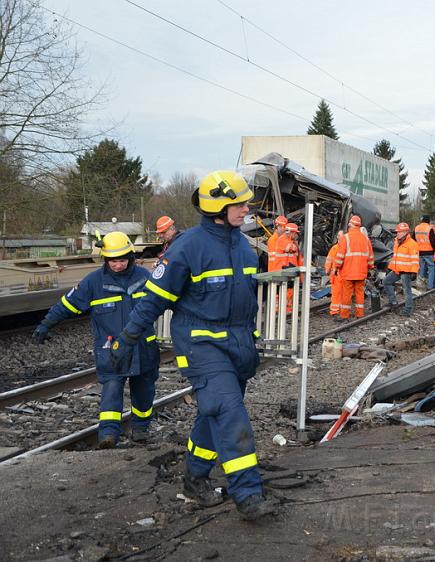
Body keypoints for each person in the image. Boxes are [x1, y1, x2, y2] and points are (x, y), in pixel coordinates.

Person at [110, 170, 276, 520]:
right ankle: (247, 492)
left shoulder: (241, 245)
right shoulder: (188, 248)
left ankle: (195, 479)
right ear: (219, 206)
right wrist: (128, 337)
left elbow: (246, 302)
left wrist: (251, 341)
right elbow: (153, 300)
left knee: (212, 412)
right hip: (201, 346)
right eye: (241, 203)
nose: (248, 208)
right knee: (230, 411)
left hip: (238, 346)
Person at [33, 232, 159, 449]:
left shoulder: (144, 278)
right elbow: (67, 305)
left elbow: (166, 300)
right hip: (111, 349)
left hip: (143, 347)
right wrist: (46, 324)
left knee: (144, 392)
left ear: (130, 257)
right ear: (105, 259)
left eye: (121, 260)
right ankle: (108, 435)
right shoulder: (94, 282)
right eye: (112, 261)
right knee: (111, 391)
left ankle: (140, 429)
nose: (117, 265)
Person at [332, 215, 374, 321]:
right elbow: (370, 257)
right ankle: (360, 314)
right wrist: (370, 267)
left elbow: (340, 256)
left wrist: (336, 267)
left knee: (346, 294)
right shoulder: (365, 239)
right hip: (361, 272)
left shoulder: (345, 238)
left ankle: (344, 316)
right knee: (360, 293)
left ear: (350, 225)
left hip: (348, 272)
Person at [383, 223, 419, 316]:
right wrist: (390, 267)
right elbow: (396, 256)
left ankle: (408, 310)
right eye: (397, 232)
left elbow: (415, 260)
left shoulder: (412, 244)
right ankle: (393, 302)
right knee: (386, 281)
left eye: (400, 232)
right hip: (397, 269)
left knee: (407, 290)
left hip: (406, 271)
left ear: (406, 232)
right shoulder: (396, 241)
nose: (397, 233)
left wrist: (414, 272)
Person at [280, 222, 304, 313]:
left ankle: (289, 310)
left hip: (292, 269)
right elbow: (290, 248)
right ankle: (286, 311)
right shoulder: (283, 240)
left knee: (290, 292)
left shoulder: (289, 240)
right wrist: (295, 244)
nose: (296, 235)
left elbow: (298, 257)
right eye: (295, 233)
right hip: (286, 269)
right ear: (290, 232)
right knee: (287, 292)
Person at [414, 215, 435, 289]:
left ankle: (421, 285)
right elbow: (432, 241)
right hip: (429, 252)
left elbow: (413, 239)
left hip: (420, 252)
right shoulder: (429, 229)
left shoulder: (416, 228)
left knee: (421, 268)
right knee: (431, 269)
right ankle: (430, 286)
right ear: (428, 221)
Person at [325, 230, 344, 316]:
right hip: (338, 275)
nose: (338, 237)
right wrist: (328, 270)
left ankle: (336, 310)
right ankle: (337, 311)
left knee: (337, 295)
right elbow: (329, 260)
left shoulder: (336, 248)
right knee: (338, 294)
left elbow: (329, 260)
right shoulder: (337, 248)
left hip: (338, 275)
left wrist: (327, 271)